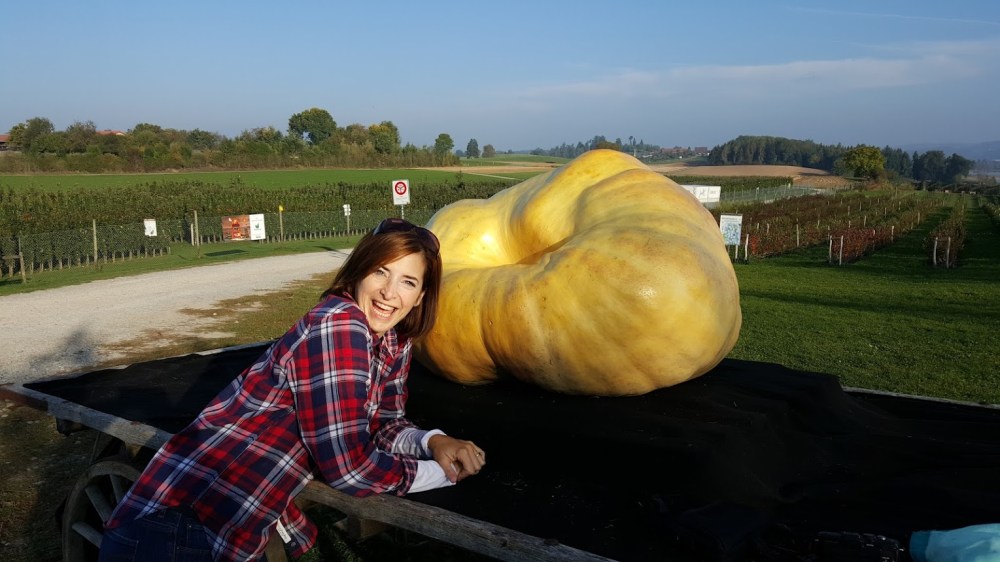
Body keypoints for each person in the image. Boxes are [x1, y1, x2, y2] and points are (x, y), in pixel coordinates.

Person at [99, 217, 486, 562]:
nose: (389, 292)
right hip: (181, 523)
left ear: (420, 296)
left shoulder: (394, 341)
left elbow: (383, 424)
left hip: (219, 530)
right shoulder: (339, 324)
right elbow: (350, 471)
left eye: (408, 281)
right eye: (380, 272)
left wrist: (433, 442)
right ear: (357, 273)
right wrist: (438, 474)